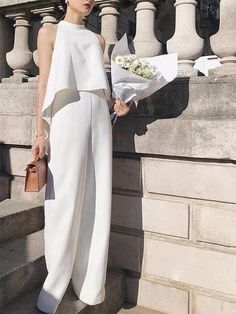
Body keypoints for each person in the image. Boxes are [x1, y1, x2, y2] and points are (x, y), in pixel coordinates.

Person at [31, 0, 132, 313]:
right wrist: (39, 133)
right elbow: (44, 83)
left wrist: (119, 106)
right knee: (63, 199)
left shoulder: (97, 39)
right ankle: (55, 283)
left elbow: (101, 87)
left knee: (96, 199)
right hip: (66, 115)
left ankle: (90, 283)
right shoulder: (49, 32)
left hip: (99, 117)